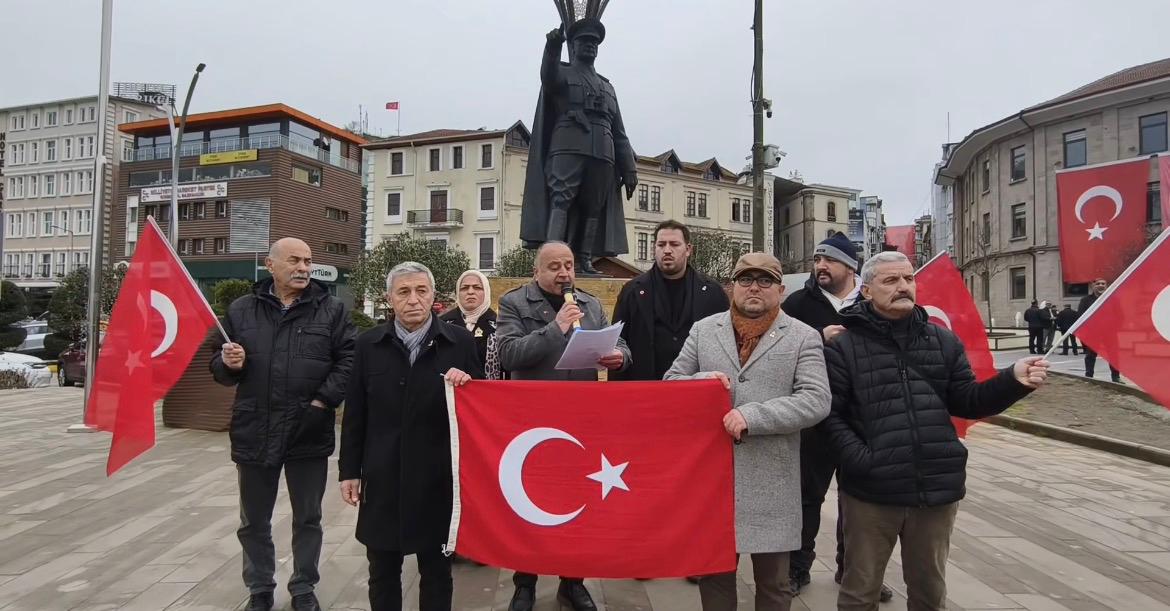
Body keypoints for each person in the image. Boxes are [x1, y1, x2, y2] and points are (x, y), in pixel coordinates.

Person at [820, 251, 1050, 611]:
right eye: (890, 280)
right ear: (866, 291)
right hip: (871, 493)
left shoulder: (942, 341)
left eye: (908, 279)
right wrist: (863, 460)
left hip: (936, 488)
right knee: (859, 592)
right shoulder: (844, 346)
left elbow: (968, 401)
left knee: (929, 591)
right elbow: (829, 416)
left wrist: (1012, 381)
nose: (903, 286)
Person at [665, 252, 831, 611]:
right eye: (745, 279)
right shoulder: (704, 330)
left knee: (774, 584)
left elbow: (816, 400)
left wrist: (754, 416)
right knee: (714, 578)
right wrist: (700, 381)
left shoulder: (802, 336)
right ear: (732, 287)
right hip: (713, 481)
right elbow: (671, 382)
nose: (754, 287)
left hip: (772, 483)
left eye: (765, 280)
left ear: (781, 290)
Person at [211, 238, 355, 611]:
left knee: (308, 517)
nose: (303, 267)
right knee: (253, 520)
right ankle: (260, 587)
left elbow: (349, 359)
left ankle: (304, 586)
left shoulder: (332, 310)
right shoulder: (242, 310)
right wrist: (229, 363)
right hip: (255, 429)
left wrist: (322, 401)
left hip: (308, 428)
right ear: (270, 264)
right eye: (294, 260)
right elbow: (217, 367)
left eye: (308, 260)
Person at [496, 241, 631, 611]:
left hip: (580, 421)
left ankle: (573, 582)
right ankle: (525, 583)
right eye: (554, 266)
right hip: (533, 422)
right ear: (536, 271)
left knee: (578, 500)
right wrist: (556, 327)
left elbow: (618, 341)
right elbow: (508, 354)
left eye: (568, 265)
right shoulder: (514, 303)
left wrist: (619, 356)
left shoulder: (590, 304)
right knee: (530, 502)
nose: (564, 273)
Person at [339, 262, 482, 611]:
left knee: (437, 572)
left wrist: (469, 385)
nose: (413, 299)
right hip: (383, 475)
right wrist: (349, 470)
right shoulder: (369, 344)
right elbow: (356, 412)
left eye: (421, 291)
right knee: (382, 570)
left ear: (434, 296)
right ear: (389, 298)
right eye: (404, 292)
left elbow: (482, 407)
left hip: (438, 477)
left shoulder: (460, 342)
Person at [780, 233, 893, 602]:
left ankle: (855, 570)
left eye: (829, 260)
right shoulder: (798, 303)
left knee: (860, 501)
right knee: (806, 497)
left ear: (850, 267)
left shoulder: (874, 301)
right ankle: (797, 568)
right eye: (817, 260)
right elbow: (777, 346)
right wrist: (818, 336)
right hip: (814, 417)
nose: (820, 266)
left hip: (863, 418)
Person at [519, 18, 638, 274]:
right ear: (573, 45)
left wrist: (629, 168)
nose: (590, 45)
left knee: (593, 207)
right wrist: (553, 47)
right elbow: (548, 76)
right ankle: (552, 260)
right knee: (561, 200)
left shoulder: (608, 87)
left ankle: (584, 260)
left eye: (594, 42)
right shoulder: (563, 73)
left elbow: (620, 132)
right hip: (567, 147)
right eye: (584, 41)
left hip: (603, 153)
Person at [611, 219, 728, 382]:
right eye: (661, 245)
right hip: (644, 386)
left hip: (695, 385)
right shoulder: (632, 291)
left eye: (674, 244)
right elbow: (617, 340)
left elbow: (726, 342)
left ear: (688, 249)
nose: (667, 250)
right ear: (654, 249)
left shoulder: (712, 292)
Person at [440, 270, 496, 366]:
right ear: (458, 293)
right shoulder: (443, 324)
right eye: (464, 288)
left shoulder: (498, 325)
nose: (470, 292)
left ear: (486, 292)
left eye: (477, 287)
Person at [1079, 278, 1121, 382]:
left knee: (1114, 356)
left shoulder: (1112, 299)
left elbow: (1120, 315)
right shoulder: (1085, 300)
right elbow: (1081, 316)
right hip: (1093, 333)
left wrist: (1115, 328)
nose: (1101, 285)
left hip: (1110, 332)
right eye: (1098, 284)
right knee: (1090, 355)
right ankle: (1089, 376)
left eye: (1103, 283)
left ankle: (1116, 377)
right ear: (1093, 286)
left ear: (1106, 286)